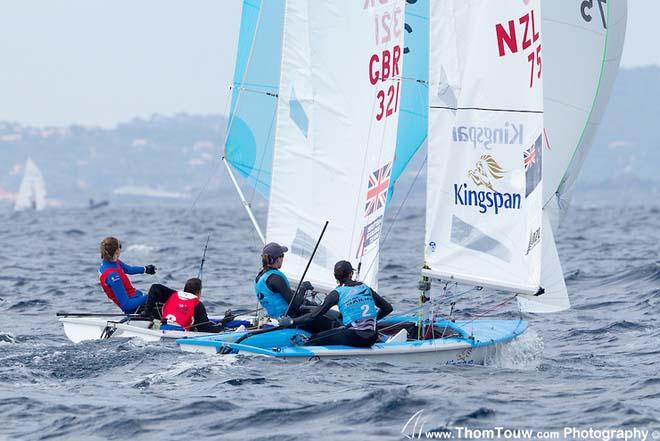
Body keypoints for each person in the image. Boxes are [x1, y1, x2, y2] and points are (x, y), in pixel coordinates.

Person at [280, 260, 393, 348]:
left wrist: (292, 321)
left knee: (314, 339)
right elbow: (388, 308)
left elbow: (313, 316)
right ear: (351, 274)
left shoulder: (337, 293)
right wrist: (370, 321)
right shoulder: (366, 288)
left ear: (335, 276)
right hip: (372, 337)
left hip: (355, 337)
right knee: (340, 329)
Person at [159, 278, 244, 333]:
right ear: (198, 292)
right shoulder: (197, 304)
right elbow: (205, 328)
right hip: (177, 333)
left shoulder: (173, 296)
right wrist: (223, 324)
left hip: (162, 328)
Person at [98, 237, 158, 314]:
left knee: (159, 291)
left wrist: (145, 269)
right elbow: (126, 305)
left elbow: (129, 269)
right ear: (117, 251)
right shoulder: (112, 275)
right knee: (157, 292)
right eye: (120, 247)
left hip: (136, 297)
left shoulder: (113, 262)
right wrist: (149, 297)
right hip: (134, 309)